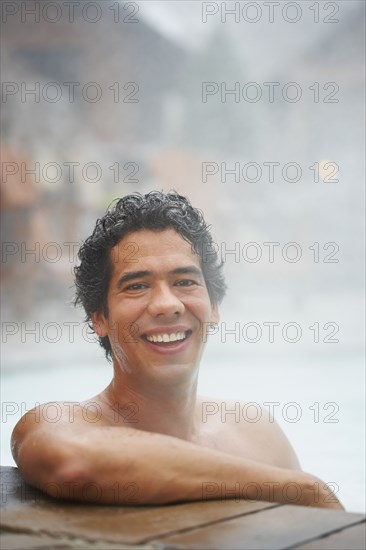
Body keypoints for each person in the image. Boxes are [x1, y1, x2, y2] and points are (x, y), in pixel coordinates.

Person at [11, 191, 343, 509]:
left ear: (213, 307)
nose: (167, 305)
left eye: (184, 281)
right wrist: (302, 488)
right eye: (137, 286)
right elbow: (73, 465)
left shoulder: (256, 433)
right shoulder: (61, 423)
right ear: (100, 319)